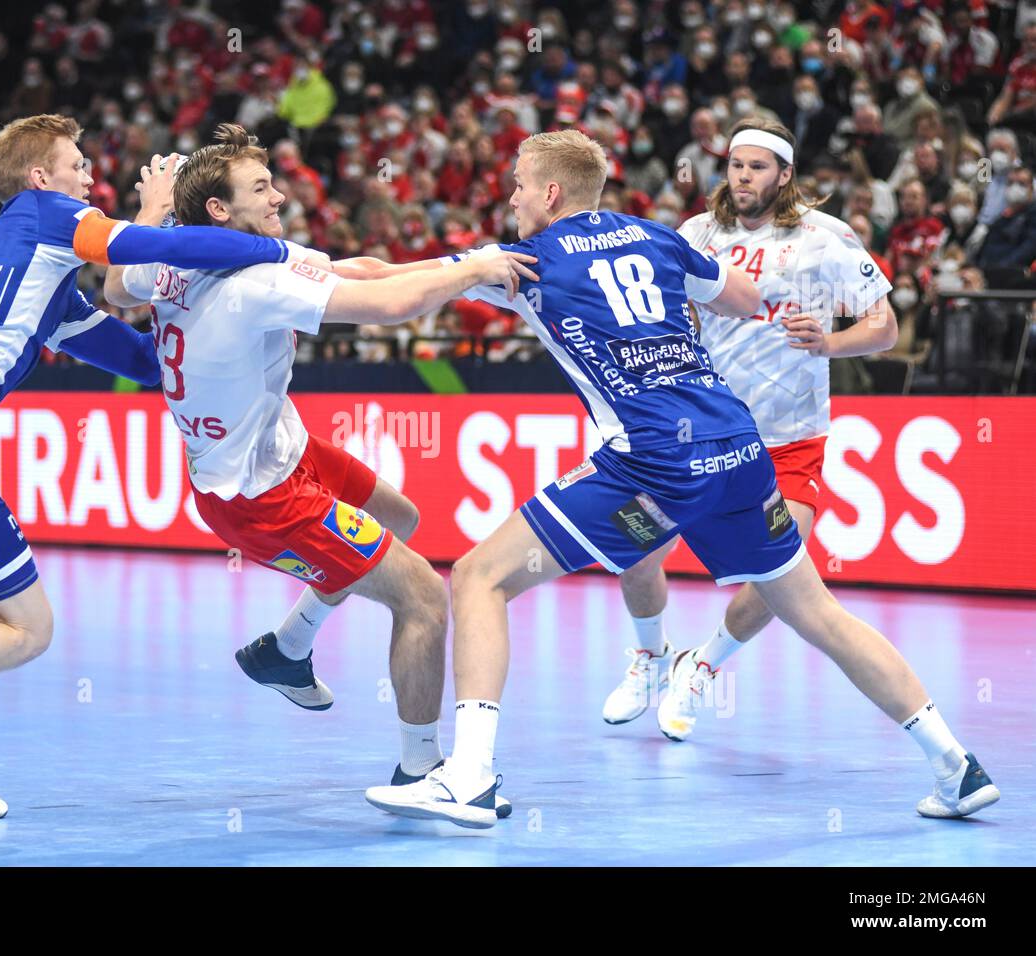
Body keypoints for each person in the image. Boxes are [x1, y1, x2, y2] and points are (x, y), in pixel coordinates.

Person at [363, 129, 998, 828]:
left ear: (549, 193)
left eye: (516, 183)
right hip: (738, 446)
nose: (509, 196)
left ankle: (472, 777)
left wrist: (297, 267)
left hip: (652, 458)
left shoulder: (526, 259)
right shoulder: (658, 236)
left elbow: (391, 293)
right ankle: (956, 766)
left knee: (480, 575)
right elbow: (748, 295)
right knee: (817, 612)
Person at [0, 114, 314, 823]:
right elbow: (143, 249)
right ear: (42, 177)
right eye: (79, 165)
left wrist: (214, 322)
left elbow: (143, 361)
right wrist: (275, 253)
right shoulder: (47, 214)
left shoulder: (38, 279)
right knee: (29, 630)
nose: (90, 177)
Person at [104, 124, 534, 811]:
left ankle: (288, 647)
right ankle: (420, 770)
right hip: (259, 496)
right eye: (261, 187)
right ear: (218, 210)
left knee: (400, 516)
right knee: (423, 597)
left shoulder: (176, 264)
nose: (279, 194)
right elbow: (390, 308)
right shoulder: (259, 281)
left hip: (284, 448)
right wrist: (475, 274)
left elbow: (118, 284)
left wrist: (152, 208)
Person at [606, 119, 899, 741]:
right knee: (634, 550)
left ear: (785, 175)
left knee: (780, 576)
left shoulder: (827, 238)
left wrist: (833, 342)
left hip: (790, 437)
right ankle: (653, 656)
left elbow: (886, 327)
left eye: (758, 166)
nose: (742, 176)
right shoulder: (696, 234)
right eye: (736, 164)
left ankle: (702, 665)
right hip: (699, 433)